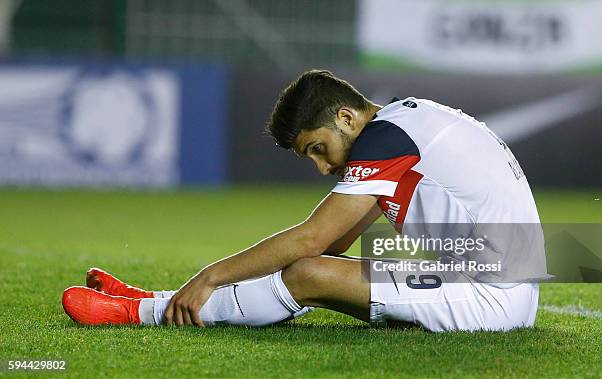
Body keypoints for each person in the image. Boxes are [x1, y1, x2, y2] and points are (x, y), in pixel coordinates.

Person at [62, 70, 546, 332]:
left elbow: (313, 239)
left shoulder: (387, 138)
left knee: (307, 273)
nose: (321, 166)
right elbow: (332, 245)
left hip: (494, 298)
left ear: (346, 117)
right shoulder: (403, 127)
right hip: (483, 276)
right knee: (315, 271)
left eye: (319, 148)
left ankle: (142, 313)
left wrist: (210, 276)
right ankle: (157, 299)